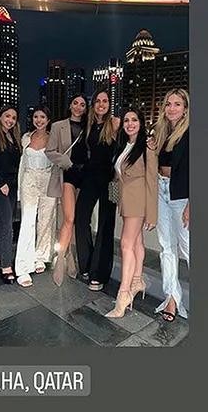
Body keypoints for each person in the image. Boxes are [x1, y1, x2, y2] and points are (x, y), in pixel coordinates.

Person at [106, 107, 157, 318]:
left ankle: (124, 294)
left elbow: (152, 181)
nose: (130, 124)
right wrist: (114, 199)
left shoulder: (147, 146)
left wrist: (152, 213)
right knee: (135, 243)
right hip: (126, 201)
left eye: (134, 120)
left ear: (141, 123)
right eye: (126, 120)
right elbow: (118, 177)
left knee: (126, 244)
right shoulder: (123, 146)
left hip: (139, 202)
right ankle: (137, 281)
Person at [75, 90, 120, 291]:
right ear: (93, 104)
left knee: (106, 224)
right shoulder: (89, 124)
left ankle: (99, 273)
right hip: (90, 177)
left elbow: (130, 143)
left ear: (110, 104)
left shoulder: (116, 123)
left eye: (105, 101)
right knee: (81, 217)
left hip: (112, 180)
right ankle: (86, 264)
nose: (102, 104)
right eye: (98, 101)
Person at [152, 88, 190, 321]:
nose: (172, 108)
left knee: (188, 248)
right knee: (166, 247)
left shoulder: (191, 132)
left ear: (185, 108)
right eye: (168, 104)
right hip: (161, 190)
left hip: (182, 195)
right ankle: (172, 298)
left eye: (177, 104)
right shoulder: (161, 131)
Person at [45, 94, 89, 286]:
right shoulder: (58, 126)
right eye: (75, 103)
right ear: (70, 105)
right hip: (68, 174)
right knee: (69, 219)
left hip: (85, 176)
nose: (78, 107)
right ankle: (61, 259)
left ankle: (71, 255)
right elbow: (49, 151)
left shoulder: (89, 126)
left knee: (76, 220)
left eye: (82, 104)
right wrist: (67, 163)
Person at [14, 106, 56, 287]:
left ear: (48, 120)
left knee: (46, 220)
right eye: (36, 117)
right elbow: (21, 164)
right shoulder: (25, 138)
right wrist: (18, 189)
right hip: (29, 180)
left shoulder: (53, 138)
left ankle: (40, 256)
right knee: (28, 221)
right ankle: (23, 267)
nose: (39, 120)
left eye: (43, 117)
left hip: (48, 180)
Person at [0, 106, 21, 284]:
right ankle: (6, 266)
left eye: (14, 118)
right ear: (0, 116)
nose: (10, 120)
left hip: (12, 185)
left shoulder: (14, 138)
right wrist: (0, 183)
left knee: (1, 221)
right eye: (7, 116)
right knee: (6, 224)